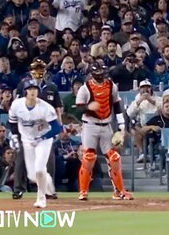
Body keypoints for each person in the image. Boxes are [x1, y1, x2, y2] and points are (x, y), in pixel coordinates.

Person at [75, 64, 132, 201]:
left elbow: (117, 106)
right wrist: (89, 107)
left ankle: (119, 191)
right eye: (98, 72)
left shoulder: (112, 86)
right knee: (88, 157)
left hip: (106, 124)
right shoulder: (85, 88)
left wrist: (122, 126)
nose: (100, 76)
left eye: (102, 72)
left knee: (114, 157)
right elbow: (78, 108)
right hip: (90, 125)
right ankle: (83, 191)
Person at [8, 79, 62, 208]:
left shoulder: (45, 108)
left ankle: (41, 198)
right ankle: (48, 183)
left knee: (39, 169)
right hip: (27, 140)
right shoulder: (16, 105)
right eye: (30, 89)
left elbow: (56, 128)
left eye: (35, 89)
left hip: (43, 140)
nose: (33, 91)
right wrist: (15, 136)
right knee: (32, 175)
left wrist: (43, 137)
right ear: (25, 91)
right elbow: (12, 121)